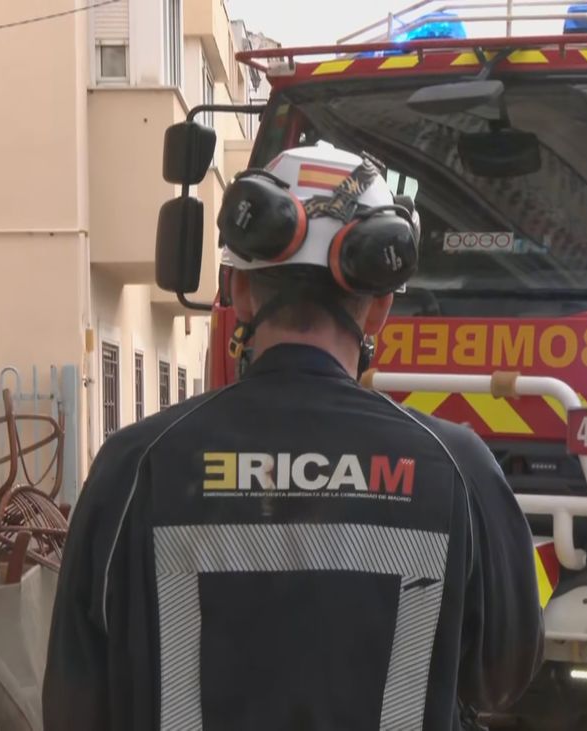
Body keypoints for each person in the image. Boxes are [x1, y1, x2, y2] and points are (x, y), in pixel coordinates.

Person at [44, 145, 544, 730]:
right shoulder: (457, 467)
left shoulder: (134, 467)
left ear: (242, 292)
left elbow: (74, 708)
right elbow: (503, 677)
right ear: (379, 309)